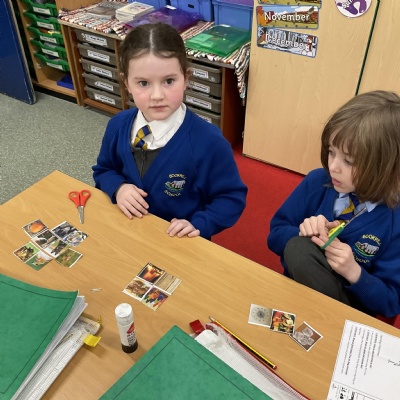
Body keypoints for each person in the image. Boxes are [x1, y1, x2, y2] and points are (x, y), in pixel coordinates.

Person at [93, 23, 247, 239]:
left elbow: (231, 197)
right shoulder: (118, 125)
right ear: (126, 83)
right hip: (127, 232)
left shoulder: (209, 141)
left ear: (186, 79)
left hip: (179, 242)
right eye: (143, 83)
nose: (157, 95)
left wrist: (200, 223)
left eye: (169, 81)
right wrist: (118, 188)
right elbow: (103, 170)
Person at [268, 91, 400, 318]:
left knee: (300, 251)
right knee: (299, 248)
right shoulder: (317, 181)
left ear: (385, 167)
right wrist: (302, 232)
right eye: (331, 152)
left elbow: (391, 303)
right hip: (296, 291)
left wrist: (355, 273)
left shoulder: (394, 219)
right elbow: (275, 235)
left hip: (347, 311)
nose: (333, 167)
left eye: (349, 161)